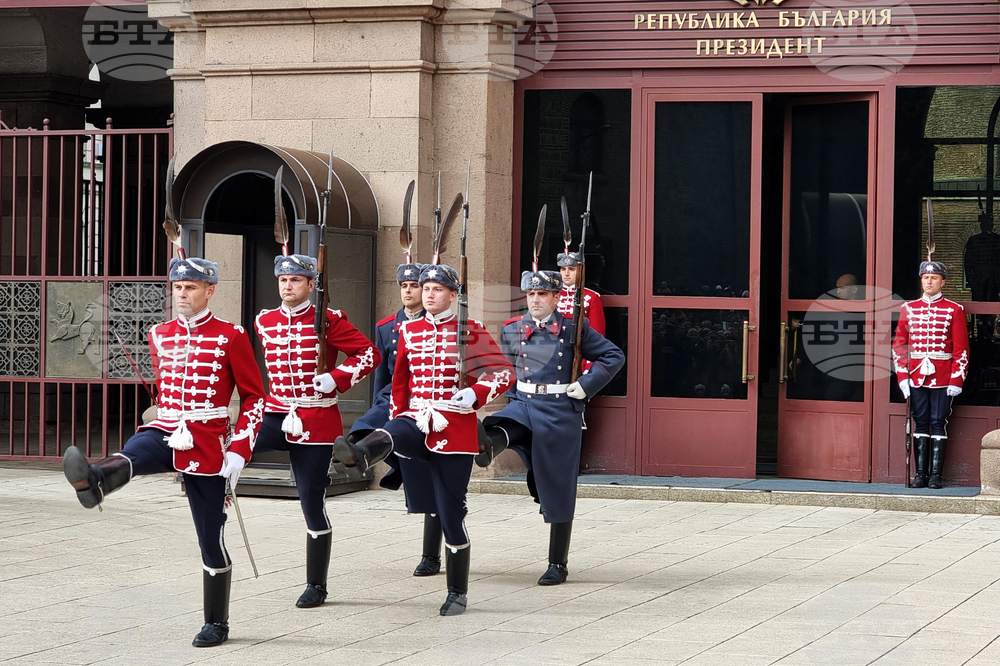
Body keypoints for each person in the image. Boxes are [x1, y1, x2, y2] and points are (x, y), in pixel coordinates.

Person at [62, 256, 265, 648]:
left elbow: (255, 398)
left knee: (210, 536)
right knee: (137, 448)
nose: (182, 294)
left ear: (210, 291)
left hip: (208, 439)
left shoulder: (231, 335)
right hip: (167, 425)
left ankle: (216, 623)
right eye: (177, 287)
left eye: (190, 287)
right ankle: (98, 479)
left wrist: (239, 450)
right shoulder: (159, 333)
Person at [333, 263, 514, 616]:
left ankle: (457, 593)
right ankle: (359, 453)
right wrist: (401, 412)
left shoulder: (470, 331)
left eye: (436, 289)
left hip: (455, 427)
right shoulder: (410, 331)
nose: (428, 294)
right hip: (417, 417)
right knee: (394, 430)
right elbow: (400, 381)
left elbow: (503, 371)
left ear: (453, 295)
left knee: (451, 511)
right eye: (425, 288)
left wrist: (474, 394)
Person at [476, 270, 624, 585]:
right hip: (525, 402)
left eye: (542, 294)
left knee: (559, 487)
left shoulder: (574, 328)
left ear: (556, 298)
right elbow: (506, 368)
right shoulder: (512, 329)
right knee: (507, 423)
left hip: (559, 409)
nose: (536, 300)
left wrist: (585, 386)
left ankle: (558, 563)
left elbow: (613, 356)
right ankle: (487, 446)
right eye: (531, 294)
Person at [253, 253, 380, 608]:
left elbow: (369, 355)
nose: (287, 286)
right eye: (283, 280)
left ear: (311, 285)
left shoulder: (328, 319)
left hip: (316, 418)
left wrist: (335, 379)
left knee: (311, 498)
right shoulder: (264, 321)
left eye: (295, 280)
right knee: (233, 453)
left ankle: (316, 585)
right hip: (275, 412)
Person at [347, 260, 444, 577]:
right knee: (378, 417)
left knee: (435, 483)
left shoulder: (445, 326)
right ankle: (354, 449)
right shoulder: (387, 326)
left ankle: (431, 555)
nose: (409, 291)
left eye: (414, 286)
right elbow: (382, 378)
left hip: (432, 406)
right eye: (404, 286)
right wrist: (382, 405)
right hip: (394, 401)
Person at [892, 260, 970, 489]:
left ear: (942, 281)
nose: (929, 281)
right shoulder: (908, 308)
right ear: (921, 280)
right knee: (920, 422)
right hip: (915, 375)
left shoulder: (954, 309)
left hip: (944, 377)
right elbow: (900, 346)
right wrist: (903, 378)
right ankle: (920, 475)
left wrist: (957, 378)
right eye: (926, 277)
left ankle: (936, 475)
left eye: (934, 277)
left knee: (938, 422)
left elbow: (961, 348)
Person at [556, 251, 605, 337]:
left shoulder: (592, 297)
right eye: (563, 269)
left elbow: (597, 335)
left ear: (580, 271)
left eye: (572, 269)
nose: (566, 273)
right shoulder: (552, 294)